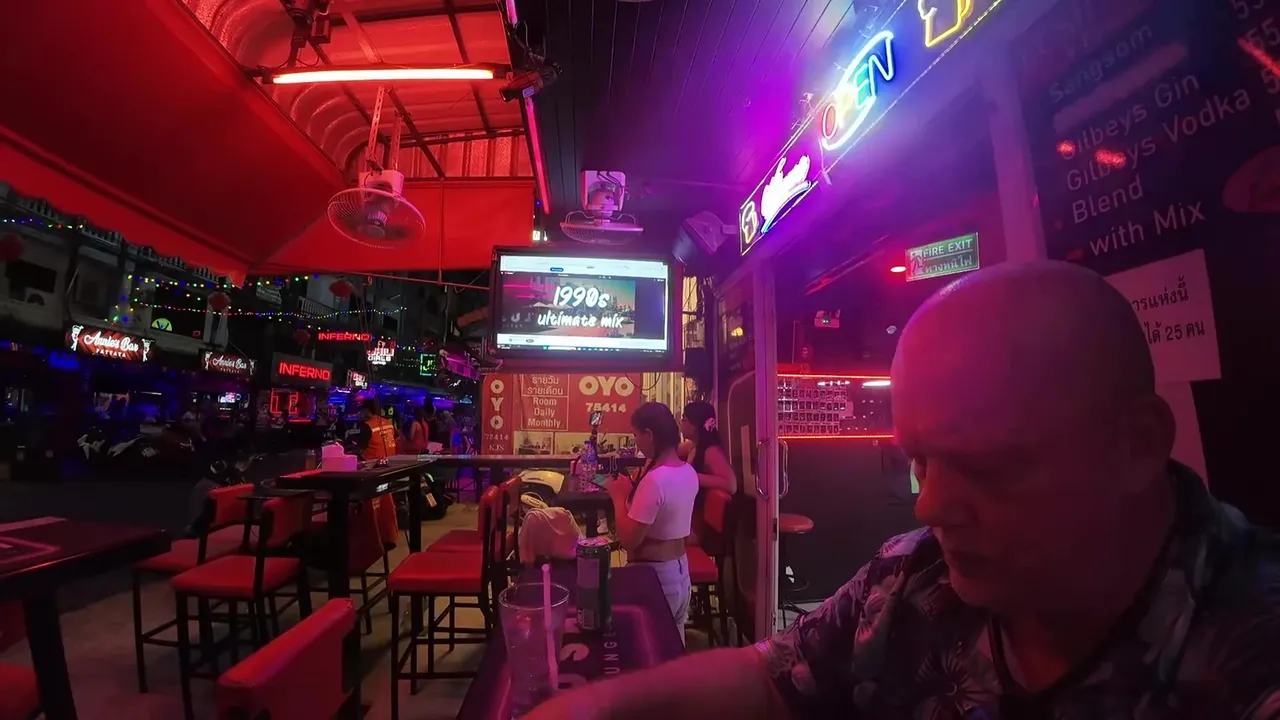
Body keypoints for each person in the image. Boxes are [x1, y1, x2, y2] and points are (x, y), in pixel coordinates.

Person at [525, 261, 1280, 719]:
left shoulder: (1251, 655)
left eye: (987, 464)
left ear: (1136, 446)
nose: (930, 506)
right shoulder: (913, 576)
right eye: (919, 462)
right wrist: (592, 708)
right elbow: (769, 678)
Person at [605, 402, 699, 640]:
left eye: (636, 435)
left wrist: (618, 498)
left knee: (648, 650)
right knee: (674, 648)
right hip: (680, 573)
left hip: (656, 577)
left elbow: (629, 540)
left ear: (649, 435)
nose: (636, 441)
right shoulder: (688, 472)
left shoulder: (655, 481)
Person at [679, 401, 736, 494]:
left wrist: (692, 476)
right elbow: (672, 450)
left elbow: (731, 484)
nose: (680, 423)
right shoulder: (693, 444)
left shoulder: (711, 451)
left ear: (696, 425)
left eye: (684, 420)